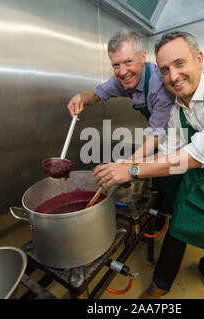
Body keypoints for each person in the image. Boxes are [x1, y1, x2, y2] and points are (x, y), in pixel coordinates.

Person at [93, 31, 204, 299]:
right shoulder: (175, 110)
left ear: (198, 59)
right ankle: (160, 283)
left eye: (179, 64)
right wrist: (125, 164)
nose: (173, 76)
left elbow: (196, 155)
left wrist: (131, 170)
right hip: (203, 174)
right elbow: (167, 152)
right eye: (165, 70)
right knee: (180, 224)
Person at [67, 29, 180, 209]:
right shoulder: (122, 79)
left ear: (142, 57)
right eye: (116, 65)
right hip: (158, 138)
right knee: (157, 185)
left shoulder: (160, 85)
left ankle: (170, 217)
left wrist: (127, 164)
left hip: (179, 139)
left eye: (128, 62)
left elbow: (158, 135)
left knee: (175, 184)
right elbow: (96, 95)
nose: (122, 72)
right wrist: (80, 96)